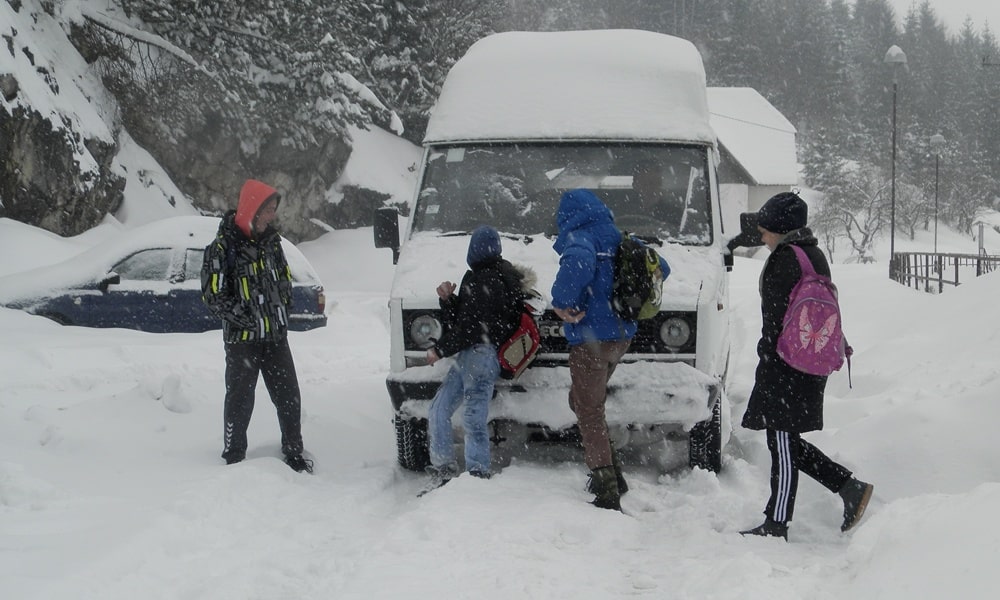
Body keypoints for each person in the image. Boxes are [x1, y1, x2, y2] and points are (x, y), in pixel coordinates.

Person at [739, 191, 873, 540]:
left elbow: (774, 323)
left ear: (779, 229)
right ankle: (848, 487)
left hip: (786, 365)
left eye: (766, 230)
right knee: (784, 441)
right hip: (809, 360)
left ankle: (776, 523)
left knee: (782, 443)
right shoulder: (813, 255)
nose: (763, 236)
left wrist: (766, 364)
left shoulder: (785, 260)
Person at [550, 188, 669, 511]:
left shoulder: (581, 240)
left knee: (589, 411)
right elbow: (662, 267)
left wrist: (562, 304)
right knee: (582, 401)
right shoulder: (620, 238)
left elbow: (575, 269)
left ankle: (606, 488)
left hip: (591, 338)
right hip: (621, 337)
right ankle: (613, 470)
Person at [201, 179, 313, 474]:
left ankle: (294, 452)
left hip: (275, 337)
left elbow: (284, 280)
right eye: (269, 210)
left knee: (289, 396)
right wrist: (246, 319)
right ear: (253, 209)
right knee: (239, 399)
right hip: (242, 341)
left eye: (274, 210)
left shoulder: (273, 243)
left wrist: (282, 309)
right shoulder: (223, 247)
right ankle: (234, 455)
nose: (272, 216)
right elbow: (213, 295)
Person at [422, 225, 529, 491]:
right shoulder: (484, 277)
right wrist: (449, 301)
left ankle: (475, 474)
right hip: (469, 355)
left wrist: (440, 350)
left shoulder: (490, 279)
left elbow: (472, 328)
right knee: (440, 410)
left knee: (469, 415)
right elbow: (466, 320)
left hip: (482, 355)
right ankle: (449, 469)